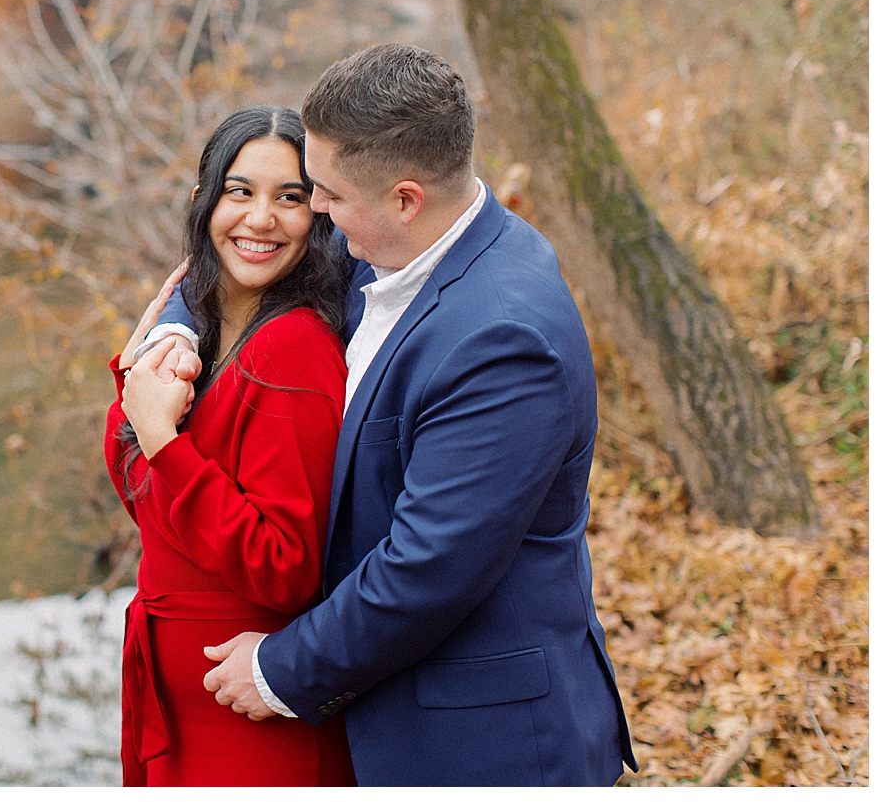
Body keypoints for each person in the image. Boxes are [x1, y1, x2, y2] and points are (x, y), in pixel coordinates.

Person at [146, 45, 637, 785]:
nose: (314, 213)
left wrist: (280, 668)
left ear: (405, 196)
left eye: (327, 196)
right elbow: (245, 261)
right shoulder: (396, 239)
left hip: (484, 746)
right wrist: (175, 330)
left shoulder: (504, 340)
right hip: (393, 720)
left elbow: (426, 571)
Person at [105, 105, 357, 786]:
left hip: (250, 732)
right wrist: (141, 382)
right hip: (185, 711)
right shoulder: (203, 331)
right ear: (203, 201)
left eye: (290, 198)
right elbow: (151, 502)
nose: (260, 217)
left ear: (320, 216)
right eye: (239, 191)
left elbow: (286, 565)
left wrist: (163, 438)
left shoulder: (292, 350)